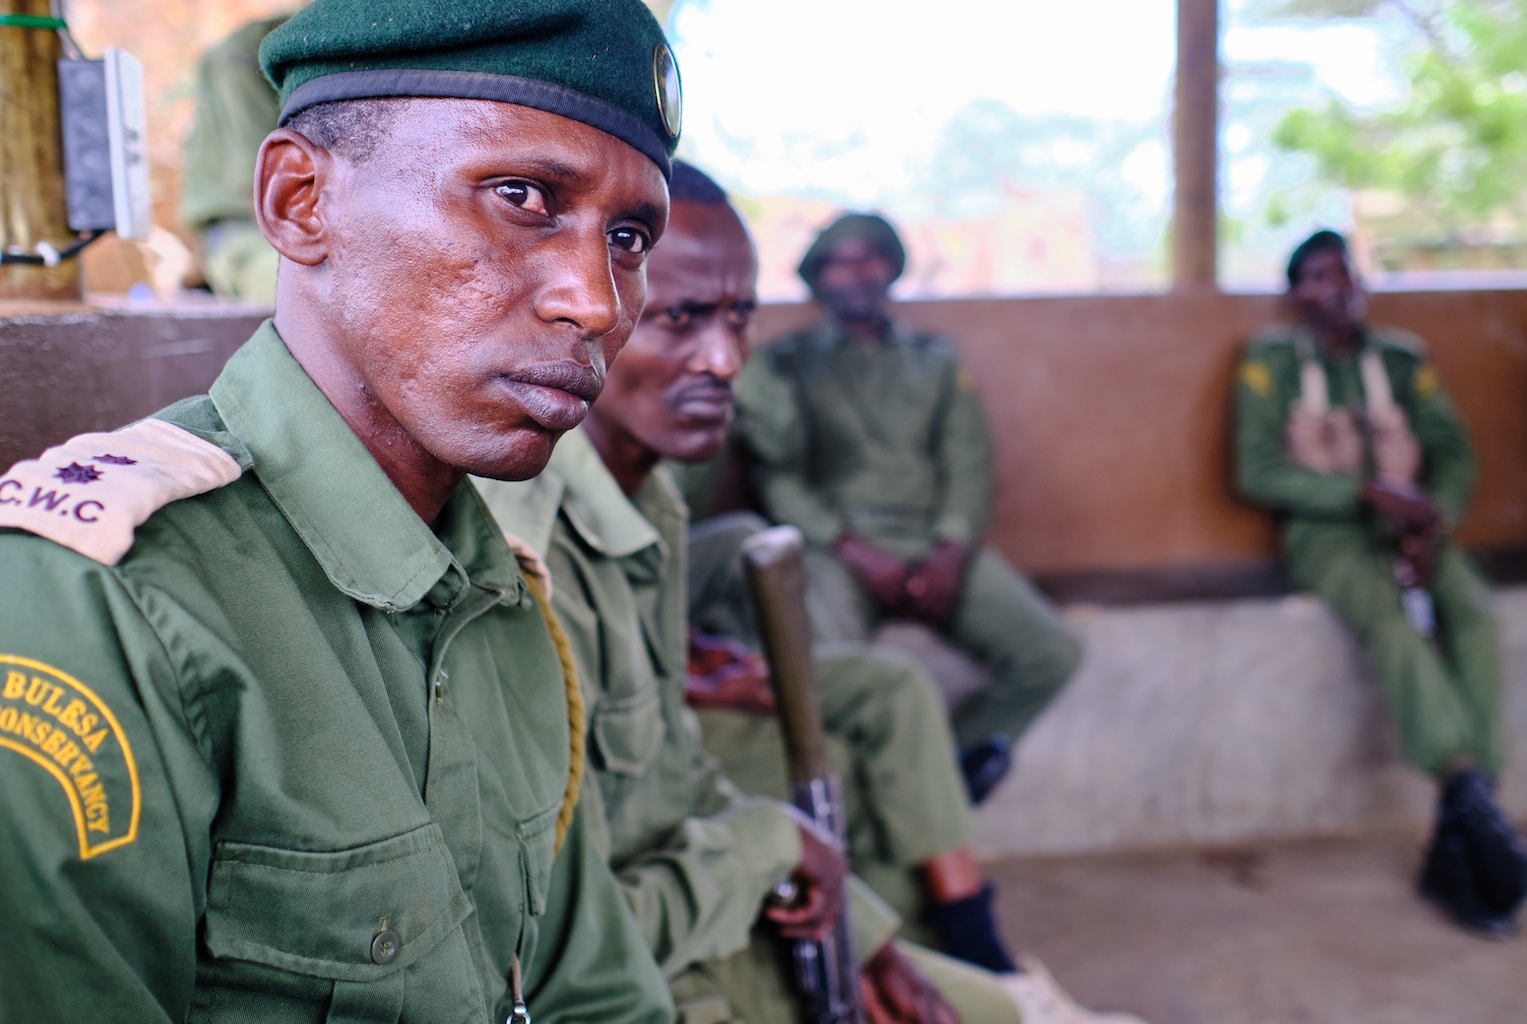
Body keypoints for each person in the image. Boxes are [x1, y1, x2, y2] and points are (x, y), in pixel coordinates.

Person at [0, 0, 688, 1019]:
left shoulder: (505, 606)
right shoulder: (98, 610)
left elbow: (595, 994)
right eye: (524, 196)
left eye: (628, 236)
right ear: (299, 198)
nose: (597, 299)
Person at [478, 162, 1146, 1024]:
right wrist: (776, 847)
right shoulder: (528, 536)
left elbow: (675, 772)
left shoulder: (658, 501)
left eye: (738, 319)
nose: (723, 360)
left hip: (929, 546)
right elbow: (566, 934)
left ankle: (956, 904)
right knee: (848, 711)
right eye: (679, 318)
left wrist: (868, 938)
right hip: (651, 967)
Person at [1234, 229, 1527, 937]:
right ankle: (1466, 786)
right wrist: (1364, 495)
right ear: (1295, 296)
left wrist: (1434, 518)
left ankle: (1466, 821)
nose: (1340, 289)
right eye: (1318, 279)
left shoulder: (1401, 359)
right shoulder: (1270, 364)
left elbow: (1453, 450)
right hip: (1327, 534)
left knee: (1477, 618)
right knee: (1392, 626)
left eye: (1346, 273)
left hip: (1416, 532)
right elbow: (1255, 472)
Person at [736, 211, 1082, 803]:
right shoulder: (786, 363)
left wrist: (950, 550)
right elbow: (779, 476)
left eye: (871, 257)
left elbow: (968, 463)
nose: (858, 273)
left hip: (932, 539)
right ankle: (864, 804)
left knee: (1051, 652)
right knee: (833, 672)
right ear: (819, 277)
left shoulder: (937, 358)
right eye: (841, 261)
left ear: (892, 268)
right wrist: (850, 548)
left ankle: (936, 781)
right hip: (835, 545)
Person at [179, 15, 287, 303]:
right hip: (243, 231)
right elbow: (261, 192)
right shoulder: (249, 51)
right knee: (304, 295)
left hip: (290, 228)